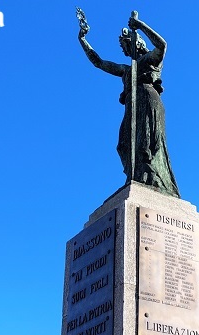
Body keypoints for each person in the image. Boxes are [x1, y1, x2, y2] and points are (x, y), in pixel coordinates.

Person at [78, 14, 180, 198]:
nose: (126, 49)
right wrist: (83, 39)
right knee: (124, 144)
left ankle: (150, 177)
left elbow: (162, 45)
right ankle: (136, 176)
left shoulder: (150, 60)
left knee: (145, 143)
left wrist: (139, 25)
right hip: (132, 106)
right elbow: (99, 62)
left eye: (128, 44)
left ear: (138, 43)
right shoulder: (126, 71)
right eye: (124, 47)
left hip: (148, 101)